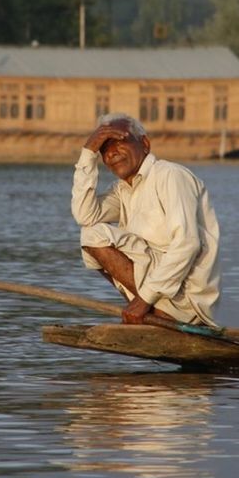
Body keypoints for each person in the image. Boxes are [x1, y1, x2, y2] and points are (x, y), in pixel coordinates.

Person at [71, 112, 221, 326]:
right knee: (90, 233)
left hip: (187, 300)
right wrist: (88, 153)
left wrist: (143, 300)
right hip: (158, 294)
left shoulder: (170, 175)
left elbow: (188, 243)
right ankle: (154, 309)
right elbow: (85, 216)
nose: (111, 153)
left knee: (93, 235)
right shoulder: (123, 190)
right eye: (104, 149)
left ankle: (158, 310)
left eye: (118, 143)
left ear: (145, 144)